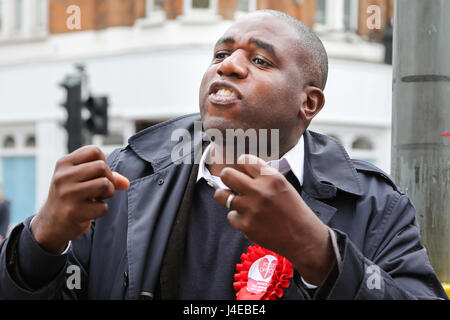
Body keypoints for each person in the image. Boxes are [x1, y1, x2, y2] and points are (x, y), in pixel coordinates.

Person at [0, 10, 447, 300]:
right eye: (222, 53)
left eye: (262, 61)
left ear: (308, 103)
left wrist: (319, 253)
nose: (228, 65)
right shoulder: (124, 176)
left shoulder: (374, 203)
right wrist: (41, 243)